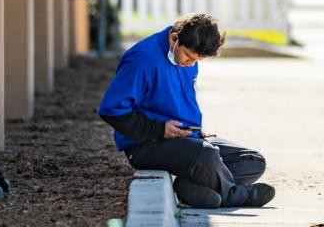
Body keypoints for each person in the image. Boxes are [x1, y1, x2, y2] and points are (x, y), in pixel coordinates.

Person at [98, 13, 275, 208]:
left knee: (253, 160)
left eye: (196, 60)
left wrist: (197, 130)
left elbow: (179, 100)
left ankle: (189, 186)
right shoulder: (142, 59)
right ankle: (233, 194)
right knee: (207, 156)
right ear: (175, 37)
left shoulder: (185, 56)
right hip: (147, 145)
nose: (190, 63)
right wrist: (158, 129)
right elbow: (111, 109)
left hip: (189, 138)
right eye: (189, 57)